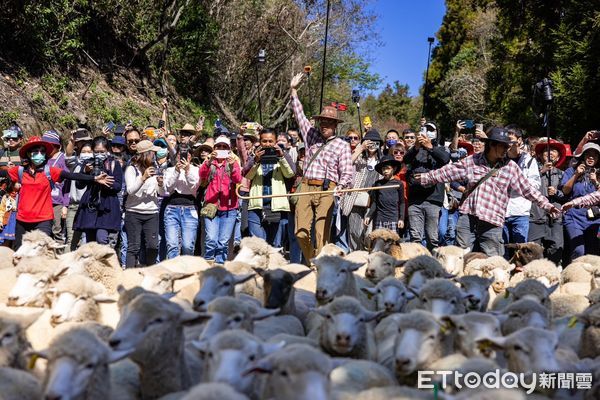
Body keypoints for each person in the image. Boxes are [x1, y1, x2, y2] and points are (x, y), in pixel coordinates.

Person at [415, 127, 561, 256]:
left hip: (492, 220)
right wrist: (424, 178)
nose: (507, 149)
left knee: (493, 260)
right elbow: (448, 172)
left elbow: (528, 189)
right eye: (504, 146)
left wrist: (547, 206)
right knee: (462, 256)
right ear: (492, 145)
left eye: (508, 146)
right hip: (468, 217)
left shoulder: (510, 167)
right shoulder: (472, 161)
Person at [0, 136, 113, 248]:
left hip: (43, 220)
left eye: (42, 151)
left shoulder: (50, 171)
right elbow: (4, 174)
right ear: (29, 154)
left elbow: (72, 175)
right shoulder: (19, 171)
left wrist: (93, 178)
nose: (40, 153)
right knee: (21, 253)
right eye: (36, 151)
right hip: (22, 220)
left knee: (41, 253)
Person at [290, 72, 354, 262]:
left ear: (335, 125)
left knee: (321, 234)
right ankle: (312, 260)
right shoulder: (310, 135)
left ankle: (319, 264)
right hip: (307, 186)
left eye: (329, 122)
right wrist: (293, 90)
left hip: (329, 189)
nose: (325, 125)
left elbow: (347, 173)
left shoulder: (342, 145)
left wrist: (342, 187)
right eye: (323, 121)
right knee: (300, 232)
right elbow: (299, 114)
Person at [404, 121, 450, 250]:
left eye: (431, 130)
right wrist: (417, 147)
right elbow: (405, 160)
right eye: (424, 129)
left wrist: (430, 147)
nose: (427, 132)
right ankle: (415, 264)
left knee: (432, 237)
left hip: (433, 198)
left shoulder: (441, 149)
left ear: (436, 133)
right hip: (415, 199)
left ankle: (432, 264)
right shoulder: (414, 150)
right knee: (415, 237)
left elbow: (445, 159)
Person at [245, 128, 296, 245]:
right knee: (257, 244)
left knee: (275, 245)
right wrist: (256, 161)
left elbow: (290, 174)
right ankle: (259, 264)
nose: (267, 144)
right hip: (256, 205)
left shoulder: (283, 155)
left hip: (276, 205)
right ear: (260, 141)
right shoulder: (254, 156)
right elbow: (247, 175)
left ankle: (274, 264)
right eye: (264, 141)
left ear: (275, 141)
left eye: (270, 141)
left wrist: (281, 157)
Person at [199, 135, 242, 264]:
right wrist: (208, 161)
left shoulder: (234, 162)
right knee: (211, 239)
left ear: (229, 149)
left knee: (223, 242)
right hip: (211, 205)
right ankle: (208, 264)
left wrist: (232, 165)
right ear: (214, 148)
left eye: (225, 147)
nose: (221, 149)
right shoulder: (209, 163)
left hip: (229, 207)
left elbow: (237, 179)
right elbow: (202, 176)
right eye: (219, 146)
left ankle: (220, 266)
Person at [73, 136, 123, 245]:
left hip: (107, 206)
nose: (99, 155)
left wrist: (106, 182)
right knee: (90, 242)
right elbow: (79, 185)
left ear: (108, 151)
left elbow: (118, 186)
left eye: (102, 152)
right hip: (90, 205)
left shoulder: (114, 164)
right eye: (96, 152)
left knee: (102, 238)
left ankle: (104, 259)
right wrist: (85, 172)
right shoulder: (88, 163)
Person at [338, 129, 382, 251]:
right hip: (355, 199)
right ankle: (355, 255)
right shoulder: (360, 159)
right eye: (370, 142)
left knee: (369, 233)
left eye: (376, 142)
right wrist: (360, 149)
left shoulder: (381, 161)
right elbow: (346, 163)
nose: (372, 145)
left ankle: (367, 255)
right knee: (355, 231)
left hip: (373, 202)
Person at [123, 140, 164, 268]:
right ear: (146, 154)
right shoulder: (131, 169)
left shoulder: (155, 169)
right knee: (133, 247)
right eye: (153, 153)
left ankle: (149, 270)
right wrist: (143, 178)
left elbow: (161, 193)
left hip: (151, 213)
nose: (155, 155)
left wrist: (161, 184)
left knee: (153, 245)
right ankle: (130, 277)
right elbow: (130, 190)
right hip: (133, 212)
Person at [529, 140, 567, 264]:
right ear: (540, 155)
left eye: (554, 151)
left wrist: (556, 193)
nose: (550, 153)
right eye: (546, 150)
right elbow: (524, 187)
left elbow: (567, 195)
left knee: (556, 248)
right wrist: (541, 172)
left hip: (555, 217)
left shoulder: (562, 174)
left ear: (559, 156)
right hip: (536, 216)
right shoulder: (532, 170)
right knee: (534, 250)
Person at [503, 125, 540, 250]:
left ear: (519, 140)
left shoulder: (529, 161)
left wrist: (517, 184)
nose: (508, 143)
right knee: (503, 248)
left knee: (521, 248)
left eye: (511, 139)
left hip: (520, 210)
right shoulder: (501, 159)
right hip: (501, 210)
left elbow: (536, 184)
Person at [560, 142, 600, 260]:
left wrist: (595, 181)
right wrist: (576, 175)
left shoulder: (598, 173)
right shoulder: (571, 170)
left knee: (593, 253)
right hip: (574, 215)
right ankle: (575, 275)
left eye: (595, 155)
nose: (591, 157)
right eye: (588, 154)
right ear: (583, 156)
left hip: (594, 218)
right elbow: (565, 191)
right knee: (578, 250)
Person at [163, 145, 200, 259]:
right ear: (177, 156)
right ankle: (174, 272)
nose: (183, 157)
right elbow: (167, 188)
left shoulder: (196, 170)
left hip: (190, 208)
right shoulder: (169, 170)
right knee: (172, 245)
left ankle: (187, 270)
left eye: (186, 154)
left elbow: (194, 187)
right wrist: (176, 172)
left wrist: (187, 170)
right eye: (180, 154)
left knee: (188, 245)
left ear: (190, 156)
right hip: (171, 208)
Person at [42, 130, 70, 243]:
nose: (46, 149)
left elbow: (68, 183)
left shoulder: (63, 159)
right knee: (43, 232)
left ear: (56, 146)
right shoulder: (42, 159)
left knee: (57, 230)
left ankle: (58, 258)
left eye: (49, 146)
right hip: (43, 201)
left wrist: (65, 205)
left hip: (57, 202)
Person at [65, 142, 93, 251]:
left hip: (89, 207)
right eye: (84, 152)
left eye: (89, 152)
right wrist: (72, 142)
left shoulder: (97, 166)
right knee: (71, 239)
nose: (86, 154)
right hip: (74, 206)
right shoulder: (75, 165)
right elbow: (68, 156)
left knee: (87, 241)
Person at [364, 155, 405, 231]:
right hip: (380, 218)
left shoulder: (399, 184)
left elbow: (402, 202)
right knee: (377, 241)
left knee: (392, 242)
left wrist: (401, 218)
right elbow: (375, 202)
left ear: (394, 168)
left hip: (393, 219)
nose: (385, 171)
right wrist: (369, 216)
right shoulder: (378, 184)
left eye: (388, 168)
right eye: (383, 169)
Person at [0, 180, 18, 246]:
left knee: (15, 240)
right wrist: (0, 221)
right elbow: (2, 210)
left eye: (16, 191)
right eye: (12, 192)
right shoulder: (6, 197)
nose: (15, 193)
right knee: (5, 240)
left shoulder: (20, 197)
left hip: (17, 220)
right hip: (7, 220)